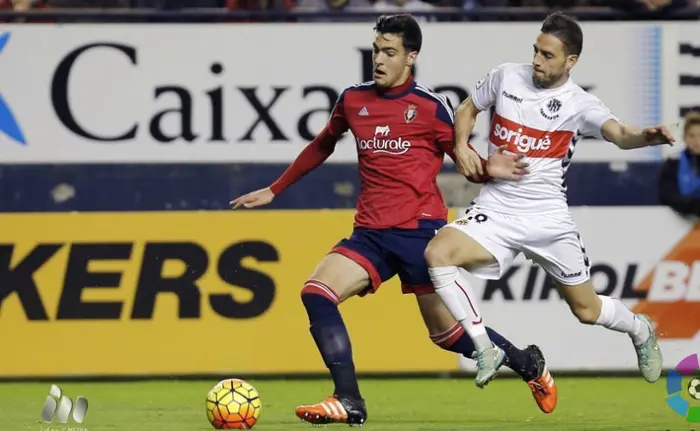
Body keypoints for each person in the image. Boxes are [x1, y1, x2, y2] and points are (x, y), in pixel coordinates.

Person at [230, 14, 558, 425]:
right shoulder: (353, 100)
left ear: (411, 57)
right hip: (370, 234)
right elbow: (322, 144)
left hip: (420, 235)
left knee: (447, 336)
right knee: (316, 293)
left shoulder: (430, 108)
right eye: (376, 51)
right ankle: (349, 399)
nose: (379, 60)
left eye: (389, 52)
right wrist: (275, 189)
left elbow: (465, 160)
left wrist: (491, 168)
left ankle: (527, 363)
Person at [424, 12, 672, 391]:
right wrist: (460, 147)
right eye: (536, 50)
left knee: (587, 310)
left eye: (548, 55)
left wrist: (647, 137)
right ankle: (485, 347)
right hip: (497, 209)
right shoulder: (506, 76)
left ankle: (640, 329)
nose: (537, 60)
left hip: (548, 220)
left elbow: (621, 134)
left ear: (571, 61)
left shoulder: (580, 104)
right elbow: (468, 109)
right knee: (437, 254)